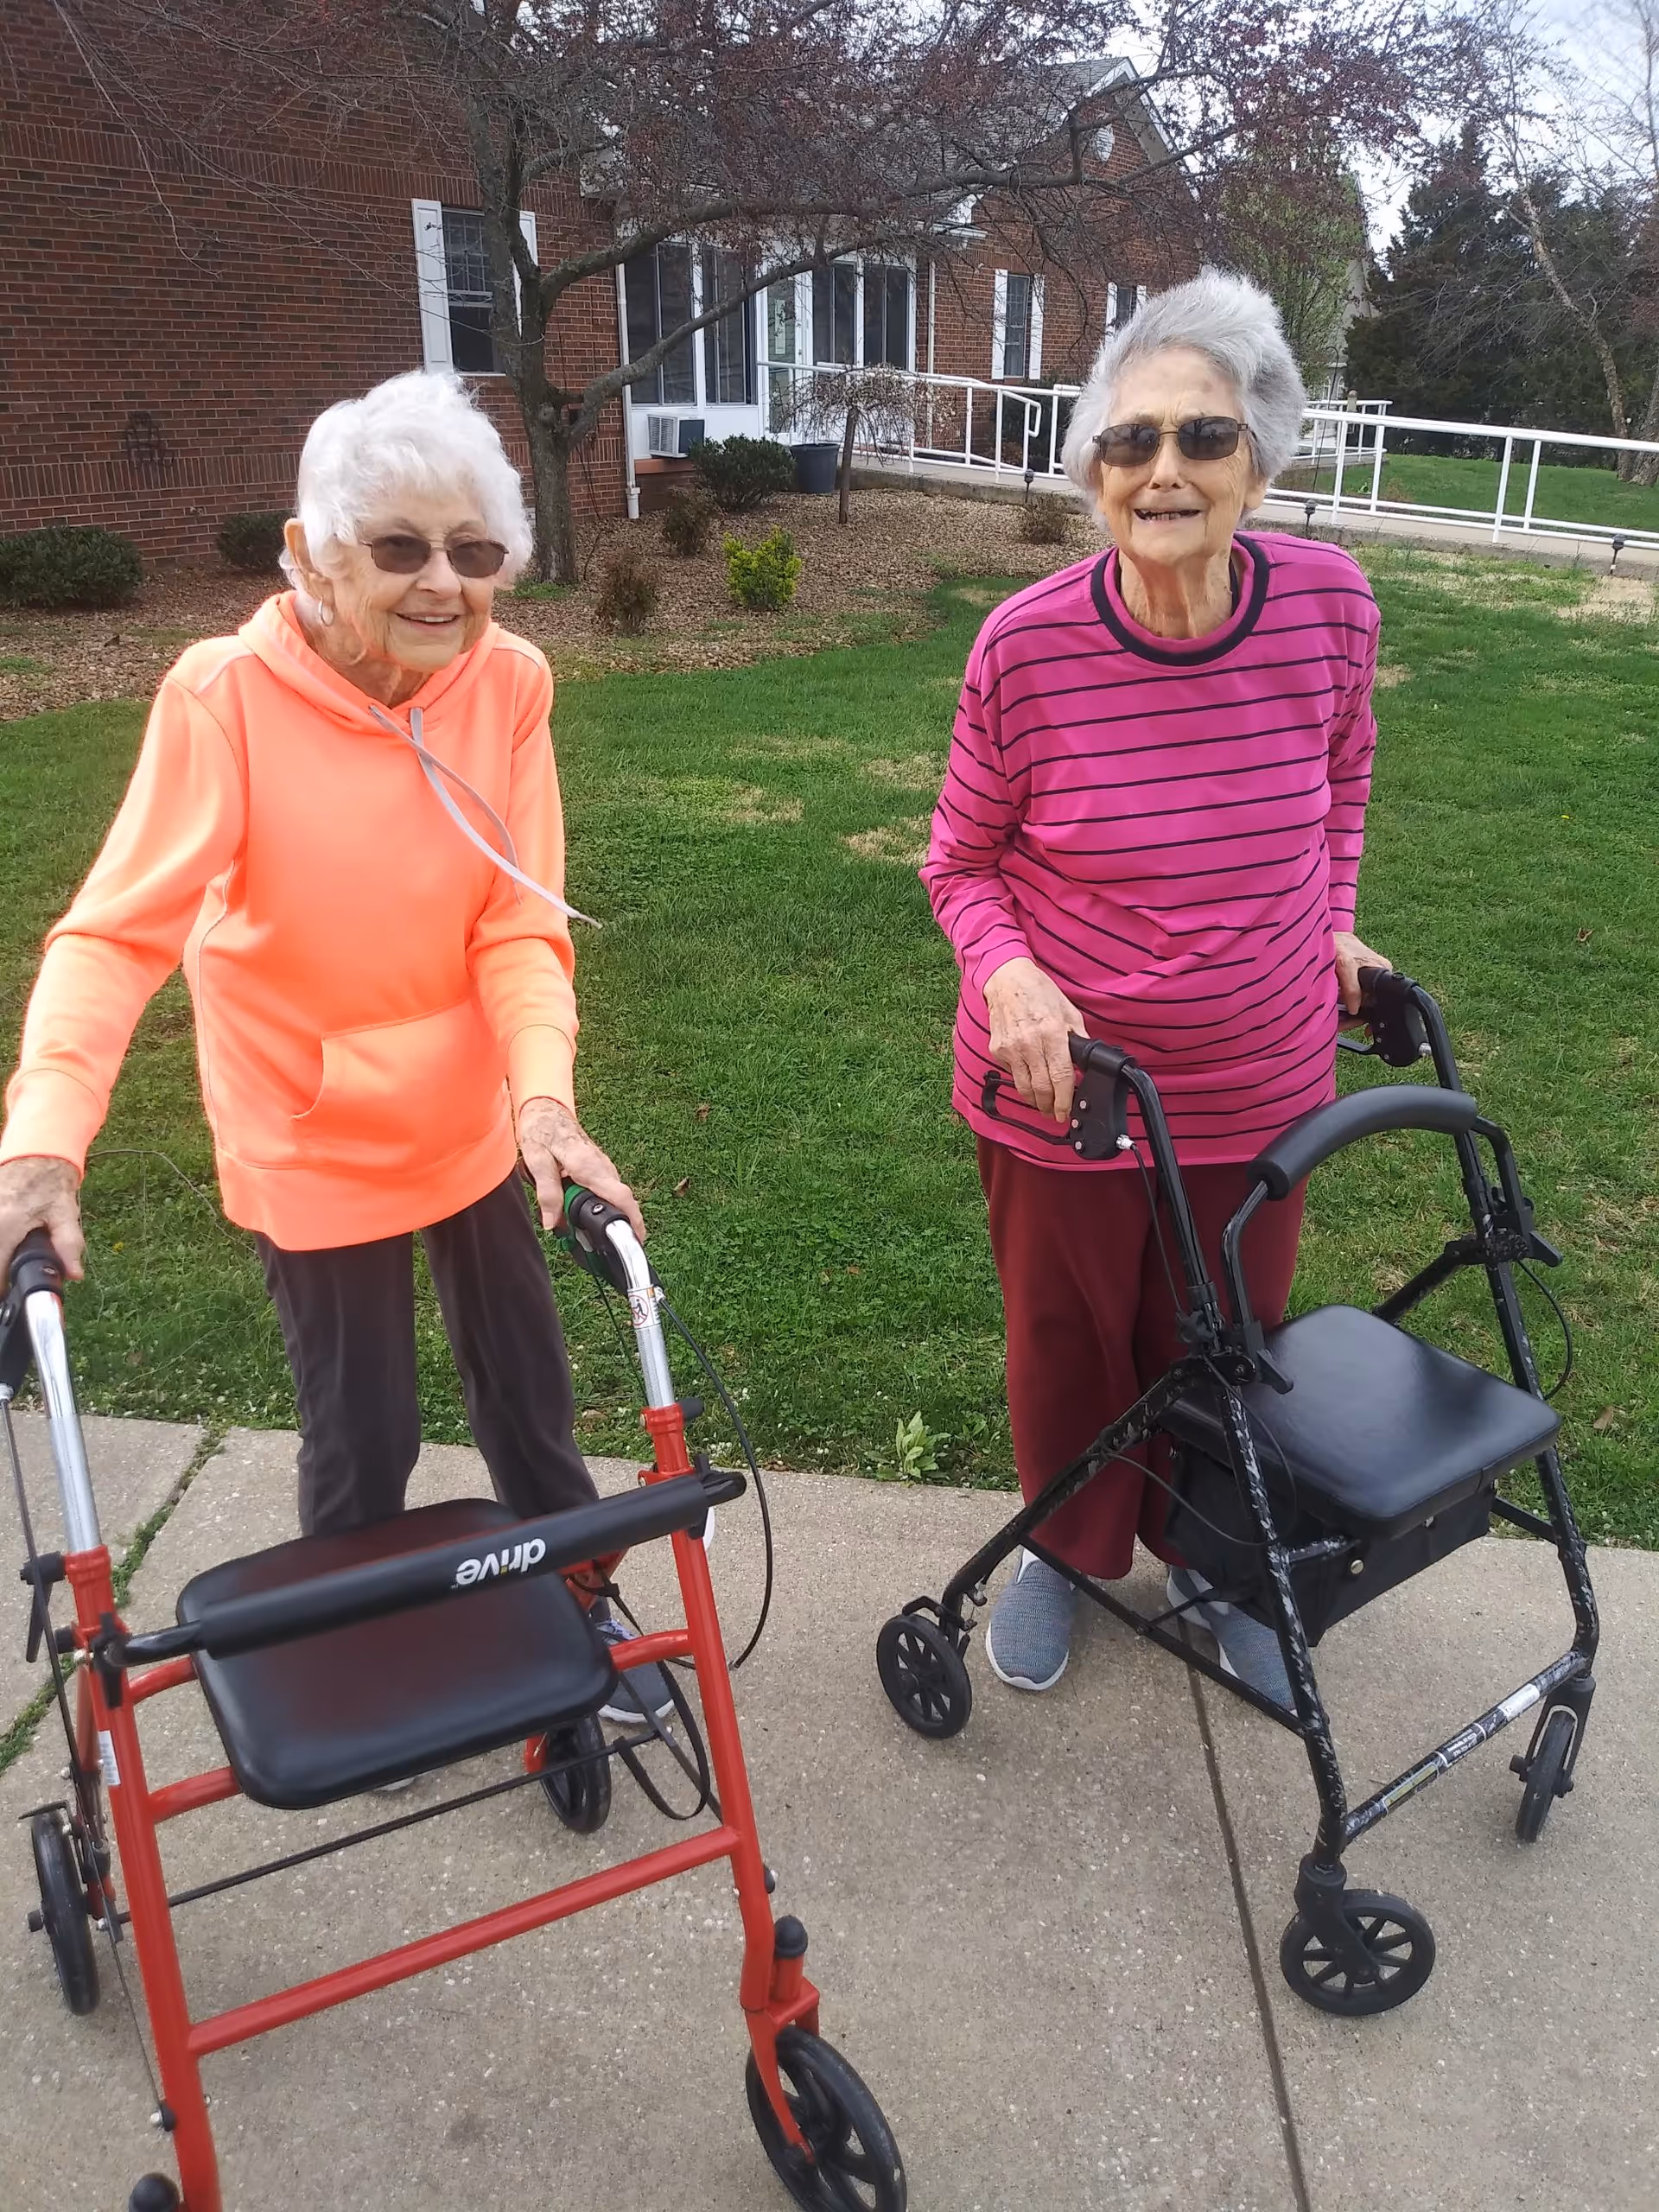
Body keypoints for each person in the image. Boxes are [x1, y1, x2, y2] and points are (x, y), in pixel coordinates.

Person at [0, 369, 668, 1723]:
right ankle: (359, 1655)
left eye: (475, 553)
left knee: (533, 1407)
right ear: (308, 556)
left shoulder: (511, 685)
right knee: (361, 1437)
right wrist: (43, 1148)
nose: (443, 585)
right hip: (306, 1128)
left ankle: (586, 1627)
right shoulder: (224, 698)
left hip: (473, 1114)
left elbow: (518, 930)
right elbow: (114, 938)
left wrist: (544, 1105)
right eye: (400, 547)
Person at [923, 270, 1389, 1704]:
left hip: (1260, 1080)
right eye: (1130, 443)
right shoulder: (1028, 642)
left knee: (1226, 1346)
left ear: (1263, 459)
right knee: (1069, 1342)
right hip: (1069, 1089)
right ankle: (1067, 1554)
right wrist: (1009, 976)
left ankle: (1206, 1551)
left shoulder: (1330, 603)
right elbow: (961, 859)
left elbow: (1341, 780)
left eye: (1202, 438)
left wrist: (1338, 923)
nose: (1163, 470)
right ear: (1092, 472)